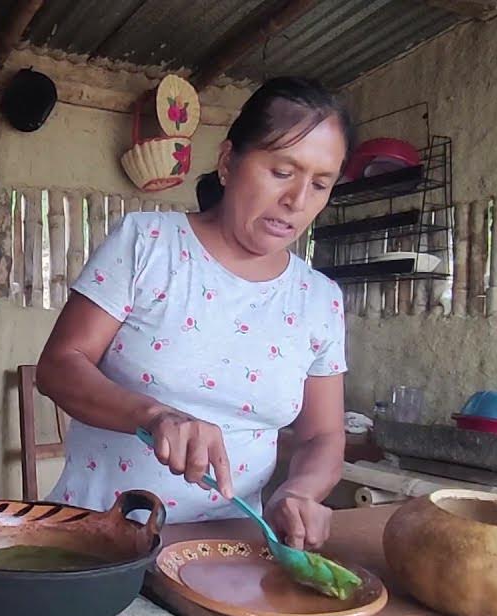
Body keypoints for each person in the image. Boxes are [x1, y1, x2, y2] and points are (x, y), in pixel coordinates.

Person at [36, 77, 354, 550]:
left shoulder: (319, 299)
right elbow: (59, 367)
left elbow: (323, 434)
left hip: (229, 553)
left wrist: (298, 490)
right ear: (228, 163)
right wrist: (156, 416)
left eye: (320, 183)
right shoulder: (148, 245)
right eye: (282, 172)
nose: (298, 200)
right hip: (98, 540)